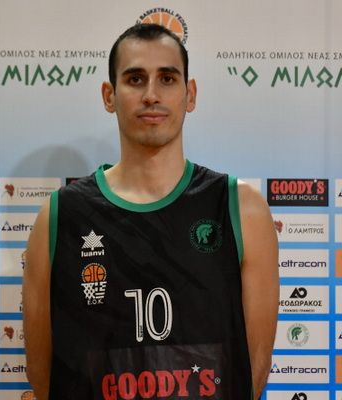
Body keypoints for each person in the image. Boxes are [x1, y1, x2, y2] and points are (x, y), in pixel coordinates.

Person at [23, 23, 279, 400]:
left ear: (190, 94)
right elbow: (43, 376)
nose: (152, 95)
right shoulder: (61, 215)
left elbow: (251, 372)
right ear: (109, 95)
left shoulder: (241, 209)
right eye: (135, 79)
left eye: (168, 79)